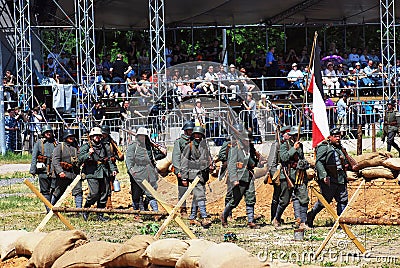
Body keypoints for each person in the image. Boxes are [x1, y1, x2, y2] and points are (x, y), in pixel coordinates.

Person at [307, 128, 349, 227]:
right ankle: (311, 215)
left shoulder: (339, 148)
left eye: (339, 136)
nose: (338, 138)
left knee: (343, 200)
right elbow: (319, 162)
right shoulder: (324, 147)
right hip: (330, 178)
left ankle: (340, 222)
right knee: (324, 201)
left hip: (340, 178)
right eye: (335, 136)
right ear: (330, 137)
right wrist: (324, 176)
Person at [272, 126, 310, 230]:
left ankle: (302, 222)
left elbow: (301, 158)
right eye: (295, 135)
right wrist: (294, 149)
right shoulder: (285, 145)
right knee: (284, 200)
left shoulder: (300, 145)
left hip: (299, 174)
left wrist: (305, 163)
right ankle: (277, 218)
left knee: (304, 198)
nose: (297, 137)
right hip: (288, 174)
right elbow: (284, 157)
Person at [221, 128, 260, 229]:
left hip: (249, 176)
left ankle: (250, 221)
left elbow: (251, 163)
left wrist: (258, 161)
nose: (248, 141)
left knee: (251, 197)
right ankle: (224, 216)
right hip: (239, 177)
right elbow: (231, 164)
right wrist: (234, 179)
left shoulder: (249, 149)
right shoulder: (235, 148)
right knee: (235, 200)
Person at [79, 127, 118, 221]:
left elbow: (108, 159)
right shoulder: (86, 147)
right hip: (92, 172)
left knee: (104, 193)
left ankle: (100, 214)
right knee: (94, 193)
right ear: (91, 137)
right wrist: (88, 154)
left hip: (104, 172)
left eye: (99, 136)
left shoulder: (104, 146)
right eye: (95, 136)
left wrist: (113, 169)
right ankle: (86, 209)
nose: (97, 137)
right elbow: (80, 159)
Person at [125, 127, 166, 217]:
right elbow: (129, 161)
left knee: (151, 193)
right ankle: (137, 214)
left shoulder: (149, 146)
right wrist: (132, 172)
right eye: (141, 136)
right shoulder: (133, 146)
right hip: (137, 173)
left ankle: (156, 213)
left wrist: (161, 150)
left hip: (150, 173)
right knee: (137, 194)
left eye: (144, 136)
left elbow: (158, 156)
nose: (142, 138)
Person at [181, 126, 214, 228]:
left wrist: (211, 166)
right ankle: (204, 217)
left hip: (203, 174)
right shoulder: (189, 146)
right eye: (196, 134)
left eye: (199, 134)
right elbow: (184, 162)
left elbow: (208, 158)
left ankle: (192, 217)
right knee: (200, 195)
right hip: (194, 174)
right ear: (193, 135)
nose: (198, 136)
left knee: (196, 196)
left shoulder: (204, 147)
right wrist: (184, 177)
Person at [51, 129, 82, 212]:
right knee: (58, 192)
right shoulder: (59, 147)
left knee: (78, 191)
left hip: (74, 173)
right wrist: (60, 171)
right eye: (69, 136)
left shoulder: (76, 148)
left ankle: (79, 211)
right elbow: (55, 161)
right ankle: (50, 209)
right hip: (63, 174)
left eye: (72, 136)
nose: (71, 138)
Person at [30, 125, 58, 212]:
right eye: (46, 132)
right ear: (43, 133)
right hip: (43, 170)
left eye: (50, 132)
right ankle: (48, 210)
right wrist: (33, 170)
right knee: (45, 191)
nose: (48, 134)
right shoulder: (39, 143)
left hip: (54, 170)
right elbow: (34, 156)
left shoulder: (56, 143)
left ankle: (52, 206)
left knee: (55, 189)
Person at [266, 125, 290, 223]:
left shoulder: (289, 144)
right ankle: (274, 217)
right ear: (283, 134)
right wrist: (275, 177)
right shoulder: (277, 145)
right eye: (287, 134)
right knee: (277, 196)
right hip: (279, 173)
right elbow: (271, 163)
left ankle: (277, 217)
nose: (289, 136)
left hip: (288, 173)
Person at [172, 121, 195, 217]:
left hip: (194, 170)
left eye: (192, 130)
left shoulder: (197, 140)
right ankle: (183, 209)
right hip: (183, 169)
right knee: (182, 191)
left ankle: (195, 210)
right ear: (185, 131)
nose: (191, 132)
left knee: (197, 191)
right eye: (189, 130)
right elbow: (176, 157)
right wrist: (178, 171)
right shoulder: (179, 141)